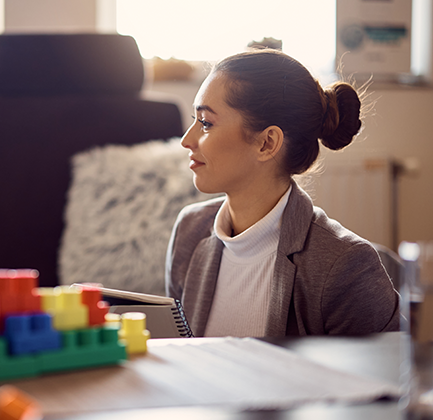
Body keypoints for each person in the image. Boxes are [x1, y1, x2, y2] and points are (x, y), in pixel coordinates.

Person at [165, 50, 400, 337]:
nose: (186, 140)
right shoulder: (190, 231)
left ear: (267, 143)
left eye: (205, 123)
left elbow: (380, 380)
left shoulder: (346, 266)